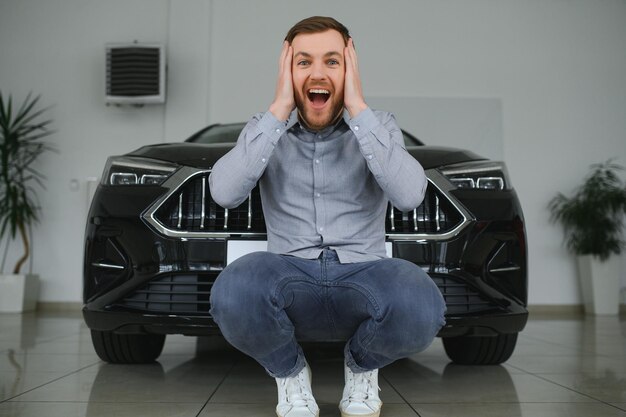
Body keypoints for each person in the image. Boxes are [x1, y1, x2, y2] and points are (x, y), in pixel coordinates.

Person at [209, 16, 446, 417]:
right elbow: (224, 193)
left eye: (332, 61)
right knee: (232, 291)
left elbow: (410, 196)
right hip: (289, 270)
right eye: (304, 62)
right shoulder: (265, 129)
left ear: (349, 69)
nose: (318, 72)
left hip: (364, 271)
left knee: (423, 305)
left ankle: (361, 366)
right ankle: (290, 373)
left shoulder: (380, 126)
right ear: (288, 71)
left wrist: (357, 106)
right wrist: (280, 108)